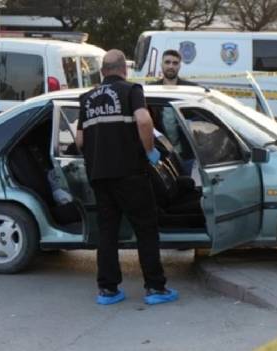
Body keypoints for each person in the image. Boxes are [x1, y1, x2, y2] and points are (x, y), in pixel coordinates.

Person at [75, 49, 178, 306]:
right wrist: (150, 151)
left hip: (99, 175)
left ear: (102, 72)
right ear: (124, 69)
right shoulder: (132, 91)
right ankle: (155, 288)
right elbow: (144, 121)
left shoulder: (86, 98)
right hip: (130, 174)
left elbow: (79, 139)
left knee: (107, 233)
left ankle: (108, 290)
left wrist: (97, 153)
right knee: (145, 229)